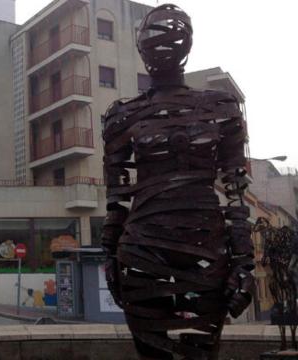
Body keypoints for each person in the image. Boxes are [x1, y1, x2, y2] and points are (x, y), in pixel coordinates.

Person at [102, 4, 253, 360]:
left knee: (201, 352)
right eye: (153, 38)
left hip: (206, 250)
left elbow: (235, 193)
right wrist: (108, 256)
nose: (162, 46)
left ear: (187, 44)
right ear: (141, 49)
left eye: (172, 36)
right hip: (142, 251)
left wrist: (245, 261)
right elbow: (117, 198)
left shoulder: (222, 107)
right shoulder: (121, 116)